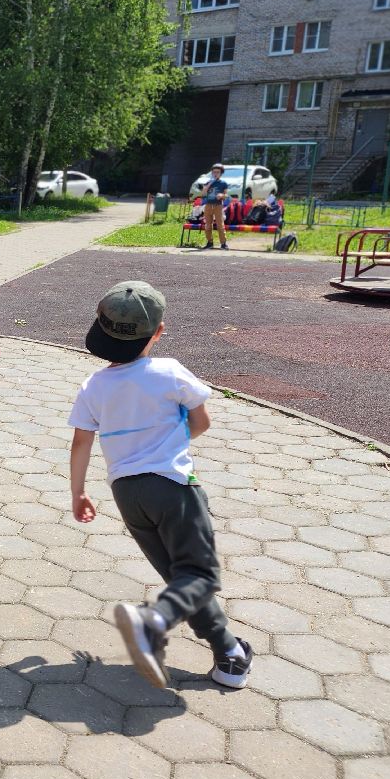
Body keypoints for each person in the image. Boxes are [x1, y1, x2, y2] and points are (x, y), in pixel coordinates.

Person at [68, 280, 254, 690]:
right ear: (159, 331)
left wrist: (78, 492)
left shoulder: (94, 386)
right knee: (200, 575)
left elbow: (81, 442)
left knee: (182, 578)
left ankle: (229, 655)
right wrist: (170, 440)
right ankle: (153, 622)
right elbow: (201, 422)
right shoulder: (169, 372)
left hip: (126, 494)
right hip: (171, 485)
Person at [198, 163, 229, 250]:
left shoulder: (223, 183)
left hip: (218, 205)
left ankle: (223, 243)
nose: (215, 174)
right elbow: (203, 194)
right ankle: (209, 242)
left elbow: (226, 195)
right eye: (214, 172)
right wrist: (207, 186)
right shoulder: (208, 182)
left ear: (221, 173)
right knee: (208, 225)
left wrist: (222, 195)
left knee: (220, 225)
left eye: (217, 172)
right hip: (208, 205)